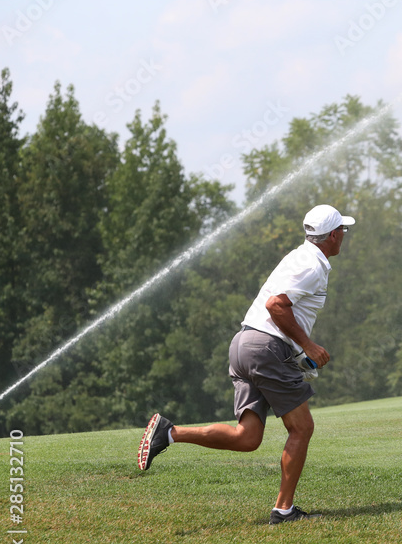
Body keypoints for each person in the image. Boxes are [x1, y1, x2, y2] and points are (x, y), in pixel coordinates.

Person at [136, 204, 355, 524]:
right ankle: (283, 511)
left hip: (244, 344)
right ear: (332, 235)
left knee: (248, 437)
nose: (344, 238)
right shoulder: (312, 265)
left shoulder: (300, 256)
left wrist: (295, 350)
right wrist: (307, 345)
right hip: (266, 347)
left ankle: (169, 433)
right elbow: (276, 305)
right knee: (302, 427)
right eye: (342, 232)